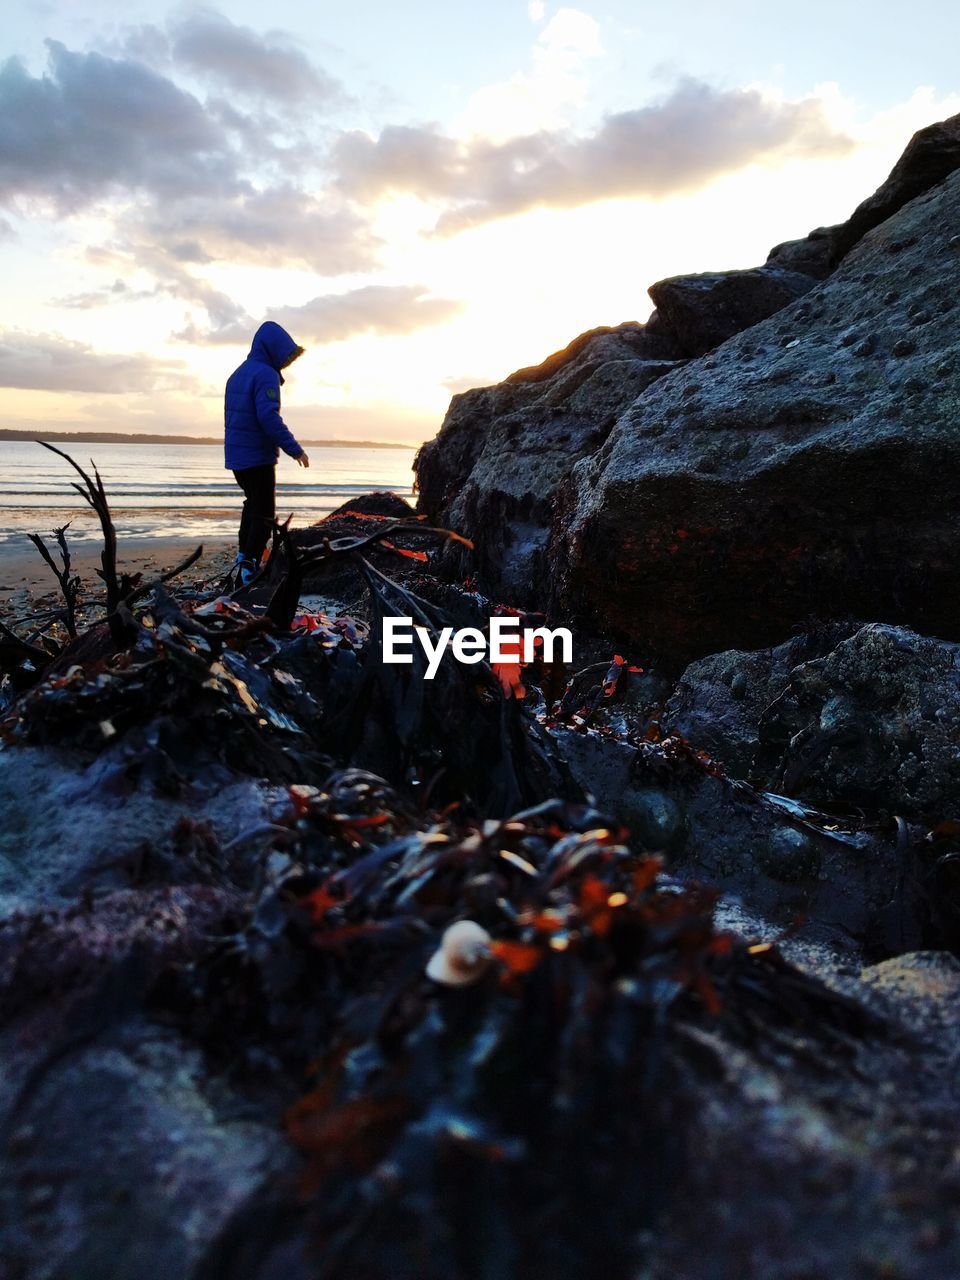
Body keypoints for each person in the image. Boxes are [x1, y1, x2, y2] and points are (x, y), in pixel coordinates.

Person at [224, 320, 310, 584]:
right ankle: (249, 569)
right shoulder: (265, 374)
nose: (286, 362)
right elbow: (268, 417)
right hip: (257, 457)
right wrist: (294, 449)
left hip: (238, 459)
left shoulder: (239, 373)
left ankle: (243, 558)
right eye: (285, 356)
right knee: (264, 515)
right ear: (273, 349)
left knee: (252, 507)